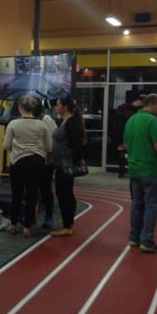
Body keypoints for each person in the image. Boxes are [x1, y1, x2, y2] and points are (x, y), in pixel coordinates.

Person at [2, 96, 52, 238]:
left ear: (20, 108)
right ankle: (27, 227)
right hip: (37, 162)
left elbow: (6, 146)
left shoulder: (13, 124)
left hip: (18, 162)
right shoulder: (42, 125)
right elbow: (49, 147)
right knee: (32, 194)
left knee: (16, 194)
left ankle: (13, 225)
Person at [124, 93, 157, 253]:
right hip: (150, 169)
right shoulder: (152, 121)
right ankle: (147, 241)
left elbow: (126, 144)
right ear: (152, 105)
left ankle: (134, 238)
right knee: (152, 204)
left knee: (136, 204)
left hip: (134, 169)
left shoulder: (131, 119)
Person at [50, 96, 86, 237]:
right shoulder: (65, 121)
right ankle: (68, 223)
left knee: (64, 194)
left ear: (65, 107)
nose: (56, 107)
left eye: (58, 104)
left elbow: (76, 145)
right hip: (61, 164)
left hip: (66, 165)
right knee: (64, 193)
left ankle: (67, 226)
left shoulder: (71, 123)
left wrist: (72, 161)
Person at [34, 101, 58, 228]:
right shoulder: (34, 121)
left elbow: (52, 144)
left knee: (45, 189)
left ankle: (49, 216)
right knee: (34, 188)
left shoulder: (47, 121)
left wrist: (48, 156)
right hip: (36, 159)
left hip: (46, 161)